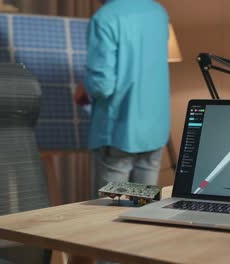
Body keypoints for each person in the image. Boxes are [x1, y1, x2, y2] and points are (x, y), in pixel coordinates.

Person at [76, 0, 170, 192]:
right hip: (154, 129)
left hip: (119, 130)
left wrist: (85, 86)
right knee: (143, 209)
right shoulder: (158, 12)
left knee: (110, 214)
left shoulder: (105, 17)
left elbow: (102, 86)